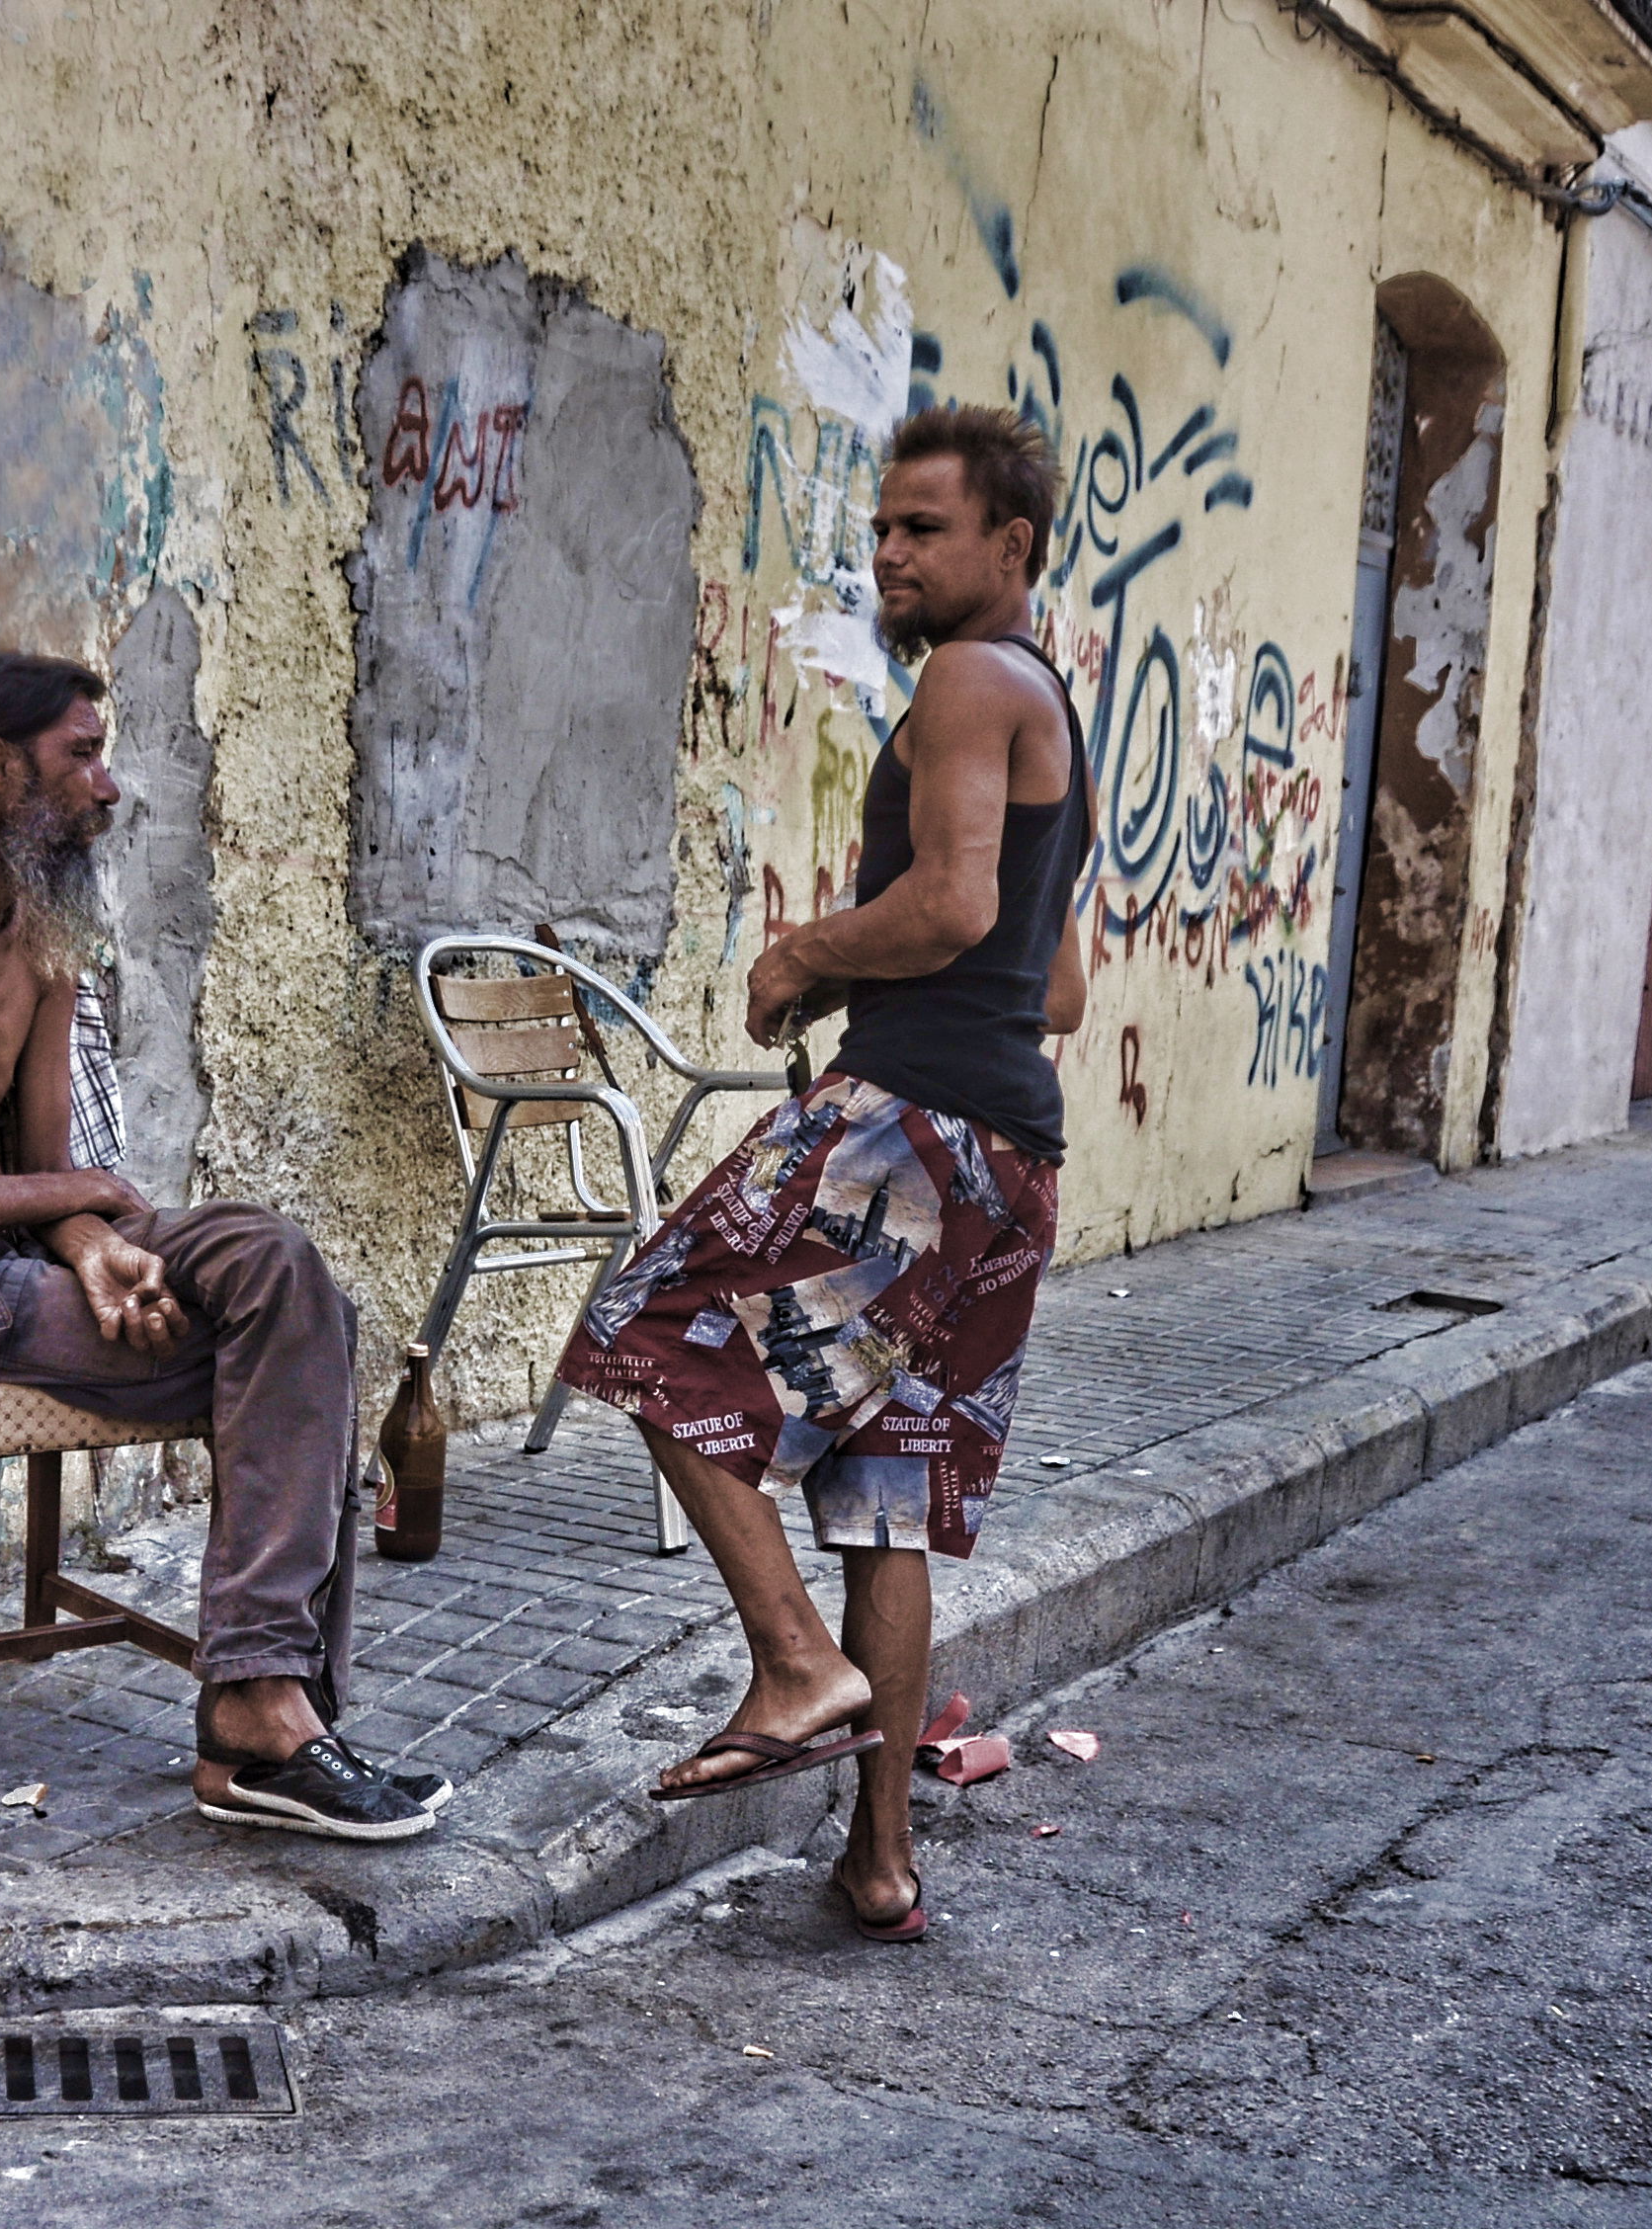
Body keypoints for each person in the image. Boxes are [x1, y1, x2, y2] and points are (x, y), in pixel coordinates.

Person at [554, 405, 1092, 1946]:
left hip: (913, 1118)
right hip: (1013, 1153)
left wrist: (802, 955)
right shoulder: (1053, 705)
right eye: (882, 527)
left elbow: (950, 905)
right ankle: (879, 1860)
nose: (890, 553)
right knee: (886, 1492)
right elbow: (1059, 986)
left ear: (1012, 548)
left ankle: (792, 1665)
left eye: (925, 528)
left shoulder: (974, 680)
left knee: (646, 1326)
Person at [0, 649, 437, 1842]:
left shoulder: (42, 926)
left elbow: (35, 1176)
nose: (109, 785)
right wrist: (77, 1200)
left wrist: (87, 1246)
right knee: (292, 1357)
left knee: (281, 1274)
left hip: (15, 1270)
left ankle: (262, 1707)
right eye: (82, 755)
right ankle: (266, 1719)